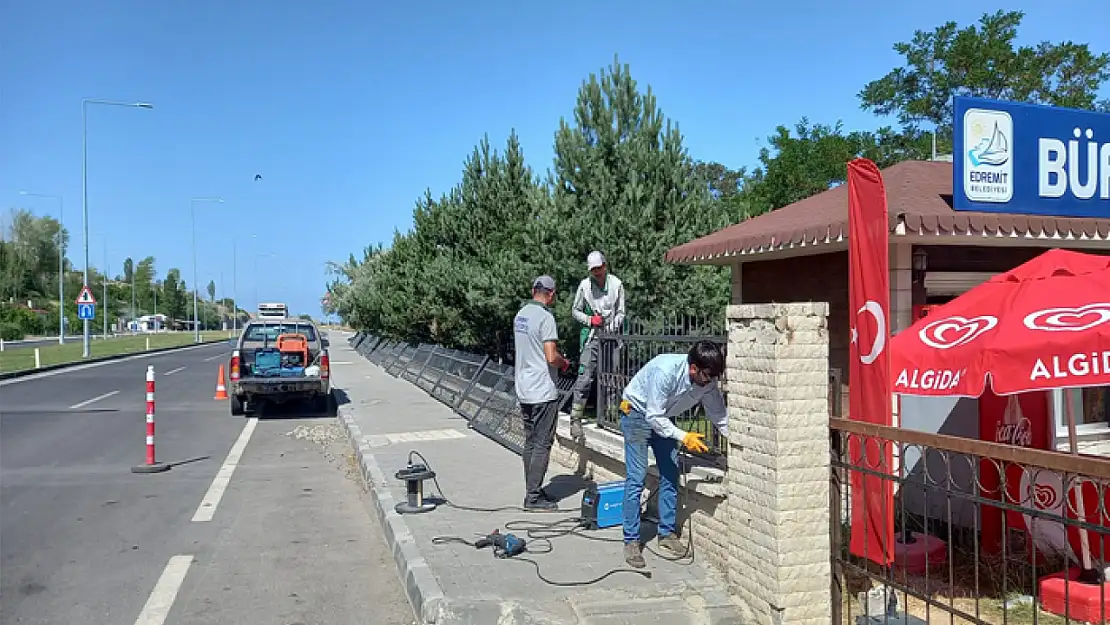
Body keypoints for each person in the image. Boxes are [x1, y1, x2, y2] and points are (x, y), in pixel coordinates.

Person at [618, 341, 727, 568]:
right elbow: (653, 416)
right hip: (637, 415)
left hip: (664, 419)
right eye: (708, 376)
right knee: (636, 478)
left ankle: (666, 534)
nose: (710, 382)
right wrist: (684, 436)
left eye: (714, 377)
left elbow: (719, 415)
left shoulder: (706, 382)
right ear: (693, 368)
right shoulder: (665, 371)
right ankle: (631, 540)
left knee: (670, 474)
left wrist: (739, 441)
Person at [513, 275, 572, 510]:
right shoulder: (546, 318)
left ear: (532, 290)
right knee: (542, 444)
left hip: (523, 388)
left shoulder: (521, 315)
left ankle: (531, 488)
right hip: (542, 390)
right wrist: (565, 363)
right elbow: (550, 356)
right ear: (550, 293)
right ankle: (533, 497)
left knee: (530, 442)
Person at [569, 251, 626, 437]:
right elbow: (575, 311)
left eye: (599, 268)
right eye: (593, 270)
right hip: (592, 337)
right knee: (584, 378)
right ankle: (575, 419)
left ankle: (610, 418)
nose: (596, 273)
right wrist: (590, 320)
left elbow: (621, 313)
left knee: (611, 379)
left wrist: (611, 327)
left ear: (605, 266)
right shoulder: (584, 286)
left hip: (612, 337)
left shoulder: (617, 285)